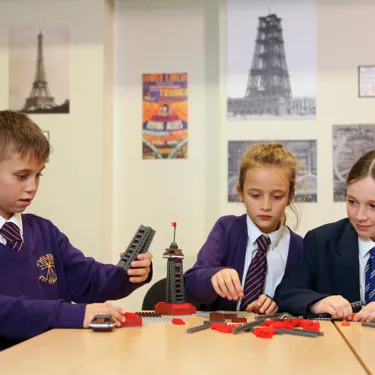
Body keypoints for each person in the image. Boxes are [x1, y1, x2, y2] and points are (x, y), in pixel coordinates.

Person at [0, 110, 152, 350]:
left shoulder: (44, 231)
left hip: (53, 357)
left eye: (38, 175)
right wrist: (71, 314)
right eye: (21, 176)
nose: (32, 187)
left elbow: (89, 282)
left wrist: (130, 272)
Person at [184, 143, 303, 313]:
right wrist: (213, 277)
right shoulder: (226, 230)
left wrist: (280, 306)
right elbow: (190, 283)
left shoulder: (300, 248)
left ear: (290, 196)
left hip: (274, 336)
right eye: (255, 195)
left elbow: (302, 298)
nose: (266, 205)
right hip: (223, 335)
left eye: (277, 196)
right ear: (241, 193)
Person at [274, 149, 375, 321]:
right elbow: (286, 293)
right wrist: (316, 302)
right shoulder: (321, 241)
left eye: (373, 206)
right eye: (352, 202)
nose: (360, 216)